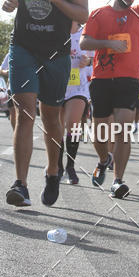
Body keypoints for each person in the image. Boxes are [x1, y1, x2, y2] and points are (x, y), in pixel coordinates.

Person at [2, 0, 88, 207]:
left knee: (51, 117)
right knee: (25, 111)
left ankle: (53, 170)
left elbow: (82, 14)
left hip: (56, 52)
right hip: (24, 46)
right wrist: (9, 4)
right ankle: (21, 184)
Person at [81, 0, 139, 198]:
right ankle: (104, 159)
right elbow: (85, 41)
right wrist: (108, 43)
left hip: (128, 78)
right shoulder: (98, 14)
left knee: (123, 129)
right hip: (102, 78)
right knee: (100, 132)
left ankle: (118, 181)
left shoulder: (138, 14)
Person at [59, 21, 93, 185]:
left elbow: (96, 60)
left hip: (78, 87)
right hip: (56, 85)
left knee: (72, 124)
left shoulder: (85, 35)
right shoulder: (55, 30)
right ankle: (57, 166)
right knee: (57, 128)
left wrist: (88, 62)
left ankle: (70, 166)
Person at [0, 51, 16, 131]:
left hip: (27, 88)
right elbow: (1, 69)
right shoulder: (10, 54)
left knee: (24, 114)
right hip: (11, 88)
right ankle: (15, 132)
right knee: (13, 112)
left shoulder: (31, 52)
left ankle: (24, 135)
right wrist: (6, 72)